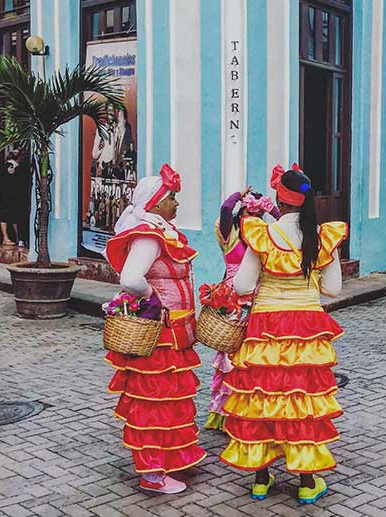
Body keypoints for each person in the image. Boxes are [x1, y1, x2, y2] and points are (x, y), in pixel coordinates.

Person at [221, 164, 348, 505]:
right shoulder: (322, 237)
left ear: (279, 198)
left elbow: (243, 285)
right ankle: (307, 482)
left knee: (263, 397)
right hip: (307, 326)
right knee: (301, 401)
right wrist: (308, 284)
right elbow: (334, 289)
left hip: (267, 324)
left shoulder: (264, 234)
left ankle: (262, 479)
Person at [103, 164, 206, 494]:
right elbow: (131, 278)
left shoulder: (162, 231)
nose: (177, 202)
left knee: (170, 401)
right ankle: (153, 474)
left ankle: (171, 460)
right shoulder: (148, 236)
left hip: (174, 334)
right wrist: (154, 299)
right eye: (172, 197)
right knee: (153, 402)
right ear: (155, 202)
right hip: (159, 338)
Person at [204, 188, 281, 431]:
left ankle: (253, 407)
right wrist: (240, 194)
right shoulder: (230, 232)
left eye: (259, 215)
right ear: (241, 213)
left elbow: (289, 225)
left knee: (255, 354)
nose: (254, 219)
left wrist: (274, 210)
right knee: (231, 355)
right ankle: (228, 412)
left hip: (261, 297)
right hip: (233, 297)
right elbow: (226, 209)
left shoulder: (267, 235)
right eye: (250, 212)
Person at [0, 145, 30, 247]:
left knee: (14, 217)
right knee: (6, 216)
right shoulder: (8, 164)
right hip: (7, 194)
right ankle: (6, 238)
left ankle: (18, 238)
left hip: (15, 194)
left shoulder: (20, 164)